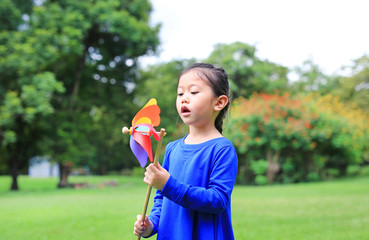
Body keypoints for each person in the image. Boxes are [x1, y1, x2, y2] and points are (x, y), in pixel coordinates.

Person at [133, 63, 238, 239]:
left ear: (219, 102)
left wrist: (168, 184)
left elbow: (218, 200)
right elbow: (162, 198)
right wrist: (151, 223)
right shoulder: (172, 149)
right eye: (180, 93)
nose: (184, 98)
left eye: (194, 92)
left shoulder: (222, 149)